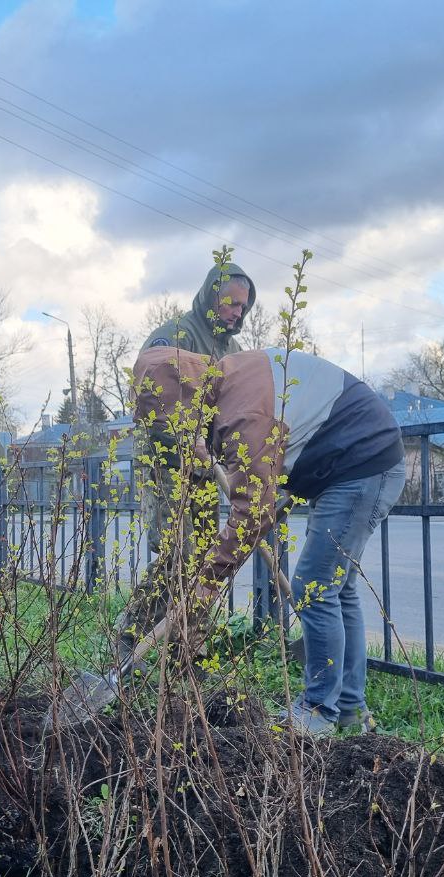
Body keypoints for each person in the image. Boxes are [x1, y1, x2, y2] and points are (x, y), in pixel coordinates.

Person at [132, 346, 405, 737]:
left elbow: (252, 513)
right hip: (358, 461)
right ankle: (348, 707)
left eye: (173, 417)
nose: (175, 427)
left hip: (361, 464)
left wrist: (209, 580)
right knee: (335, 589)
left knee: (314, 585)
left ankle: (318, 710)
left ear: (184, 397)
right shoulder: (229, 380)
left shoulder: (245, 413)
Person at [117, 263, 256, 649]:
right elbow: (150, 388)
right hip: (166, 459)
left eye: (243, 307)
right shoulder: (174, 334)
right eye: (230, 303)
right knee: (179, 549)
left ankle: (187, 639)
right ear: (211, 295)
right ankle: (133, 632)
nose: (236, 312)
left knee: (206, 554)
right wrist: (181, 437)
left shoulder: (234, 351)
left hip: (207, 466)